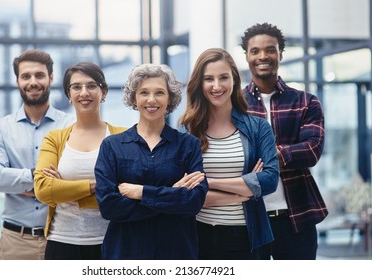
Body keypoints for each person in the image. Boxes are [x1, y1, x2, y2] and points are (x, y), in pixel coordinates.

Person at [94, 63, 208, 260]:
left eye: (160, 93)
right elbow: (109, 206)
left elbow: (194, 202)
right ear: (134, 98)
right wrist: (171, 196)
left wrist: (141, 192)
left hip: (176, 253)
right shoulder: (112, 146)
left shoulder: (189, 145)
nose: (151, 100)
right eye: (144, 92)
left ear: (170, 98)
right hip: (125, 254)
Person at [178, 48, 279, 260]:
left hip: (246, 236)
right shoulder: (186, 131)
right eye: (209, 79)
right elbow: (183, 194)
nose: (217, 86)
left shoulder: (258, 128)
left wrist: (208, 181)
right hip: (198, 235)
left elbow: (269, 181)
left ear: (234, 79)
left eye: (223, 77)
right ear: (199, 83)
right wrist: (245, 190)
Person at [241, 22, 328, 260]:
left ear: (280, 53)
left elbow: (311, 150)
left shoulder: (306, 102)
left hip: (296, 218)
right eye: (255, 51)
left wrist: (265, 157)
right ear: (246, 56)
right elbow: (232, 156)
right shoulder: (234, 105)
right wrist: (285, 155)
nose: (263, 56)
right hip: (247, 219)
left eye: (270, 49)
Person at [0, 49, 75, 260]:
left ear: (50, 78)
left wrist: (21, 183)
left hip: (62, 239)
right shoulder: (0, 128)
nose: (33, 82)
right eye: (26, 76)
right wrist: (43, 180)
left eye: (39, 75)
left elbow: (76, 177)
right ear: (17, 81)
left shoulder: (71, 125)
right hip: (16, 242)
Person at [33, 62, 126, 260]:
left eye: (91, 86)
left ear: (104, 92)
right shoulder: (54, 138)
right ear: (69, 94)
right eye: (76, 87)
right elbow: (42, 189)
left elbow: (129, 192)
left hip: (111, 243)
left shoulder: (123, 137)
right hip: (61, 243)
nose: (84, 92)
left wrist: (65, 191)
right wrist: (98, 186)